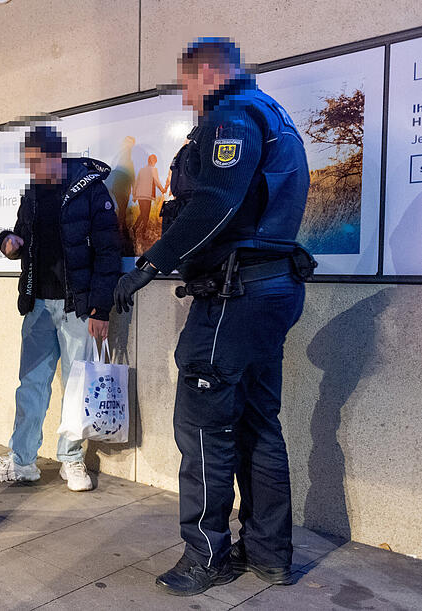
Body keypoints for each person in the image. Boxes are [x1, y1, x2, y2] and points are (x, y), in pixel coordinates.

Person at [113, 38, 316, 596]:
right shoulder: (274, 116)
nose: (187, 98)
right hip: (268, 288)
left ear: (208, 74)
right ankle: (271, 555)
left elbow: (216, 202)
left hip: (234, 296)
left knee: (202, 428)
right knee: (258, 423)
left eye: (187, 86)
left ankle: (206, 556)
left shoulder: (233, 116)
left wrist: (150, 264)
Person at [0, 126, 123, 492]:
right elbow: (22, 238)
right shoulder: (34, 194)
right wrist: (9, 242)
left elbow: (109, 253)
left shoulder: (90, 190)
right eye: (28, 163)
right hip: (38, 303)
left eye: (35, 161)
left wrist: (101, 310)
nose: (31, 169)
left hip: (78, 306)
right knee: (31, 386)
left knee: (76, 387)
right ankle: (22, 461)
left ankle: (71, 460)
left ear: (55, 156)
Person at [131, 154, 167, 249]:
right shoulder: (153, 169)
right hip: (146, 195)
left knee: (143, 214)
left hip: (140, 195)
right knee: (145, 216)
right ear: (154, 161)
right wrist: (162, 189)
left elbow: (137, 182)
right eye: (155, 161)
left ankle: (135, 228)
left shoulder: (142, 169)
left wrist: (134, 195)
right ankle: (142, 234)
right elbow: (156, 181)